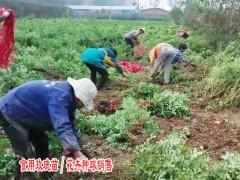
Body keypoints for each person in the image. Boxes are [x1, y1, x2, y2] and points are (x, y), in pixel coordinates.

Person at [0, 78, 97, 179]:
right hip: (11, 111)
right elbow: (62, 126)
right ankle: (26, 177)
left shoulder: (69, 96)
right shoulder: (60, 96)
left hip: (29, 113)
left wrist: (79, 148)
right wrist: (78, 155)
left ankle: (43, 173)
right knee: (25, 155)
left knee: (41, 141)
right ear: (79, 97)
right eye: (83, 103)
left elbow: (70, 123)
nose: (82, 106)